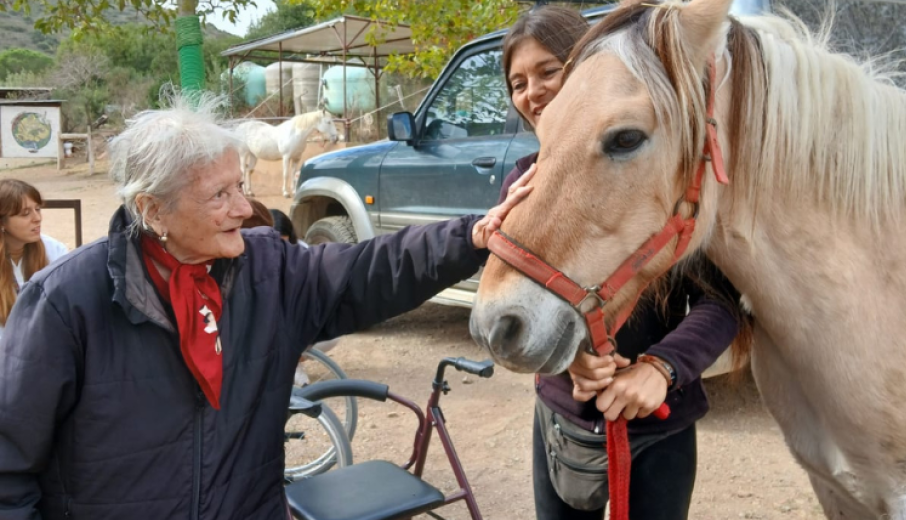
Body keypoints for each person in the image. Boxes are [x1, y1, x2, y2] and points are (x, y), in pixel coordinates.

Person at [0, 92, 532, 520]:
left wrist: (475, 236)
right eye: (218, 195)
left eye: (240, 186)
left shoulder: (268, 270)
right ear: (152, 208)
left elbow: (372, 269)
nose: (243, 208)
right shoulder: (67, 300)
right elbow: (9, 465)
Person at [499, 6, 743, 520]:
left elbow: (720, 301)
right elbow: (517, 303)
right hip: (563, 422)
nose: (532, 92)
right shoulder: (520, 185)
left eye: (548, 71)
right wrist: (568, 361)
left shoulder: (658, 173)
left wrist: (662, 368)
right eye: (518, 82)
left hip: (660, 425)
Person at [0, 179, 68, 339]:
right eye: (25, 214)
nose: (37, 218)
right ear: (2, 222)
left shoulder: (55, 250)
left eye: (38, 209)